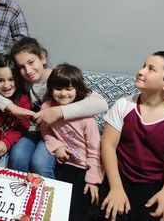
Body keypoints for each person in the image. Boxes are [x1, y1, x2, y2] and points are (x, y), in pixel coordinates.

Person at [0, 37, 108, 178]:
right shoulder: (22, 79)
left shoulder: (59, 77)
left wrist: (58, 111)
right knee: (17, 157)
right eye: (21, 67)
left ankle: (47, 197)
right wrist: (11, 107)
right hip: (32, 130)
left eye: (31, 62)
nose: (28, 70)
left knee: (40, 164)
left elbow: (101, 104)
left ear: (43, 58)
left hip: (57, 133)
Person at [100, 51, 164, 221]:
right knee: (107, 211)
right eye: (143, 66)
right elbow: (108, 145)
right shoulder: (123, 105)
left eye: (151, 69)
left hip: (151, 182)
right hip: (118, 173)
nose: (141, 71)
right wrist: (116, 187)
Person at [40, 63, 104, 221]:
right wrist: (57, 146)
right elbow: (45, 130)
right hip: (64, 163)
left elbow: (95, 149)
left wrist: (93, 179)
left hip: (84, 167)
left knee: (77, 208)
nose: (63, 94)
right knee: (55, 203)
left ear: (77, 89)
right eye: (58, 89)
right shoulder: (46, 107)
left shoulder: (86, 117)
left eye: (68, 89)